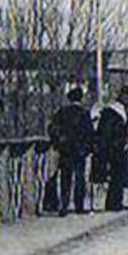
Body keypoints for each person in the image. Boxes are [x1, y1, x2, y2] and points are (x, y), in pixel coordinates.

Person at [48, 86, 95, 217]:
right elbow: (89, 132)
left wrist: (57, 142)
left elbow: (52, 128)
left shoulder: (62, 112)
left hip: (65, 149)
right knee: (80, 177)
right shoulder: (84, 113)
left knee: (65, 177)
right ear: (81, 99)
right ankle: (79, 205)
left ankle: (64, 204)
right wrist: (90, 147)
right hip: (80, 150)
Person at [97, 86, 128, 211]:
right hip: (113, 148)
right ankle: (113, 203)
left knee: (120, 175)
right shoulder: (112, 112)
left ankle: (117, 201)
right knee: (115, 175)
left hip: (120, 147)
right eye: (127, 97)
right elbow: (107, 132)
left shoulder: (122, 111)